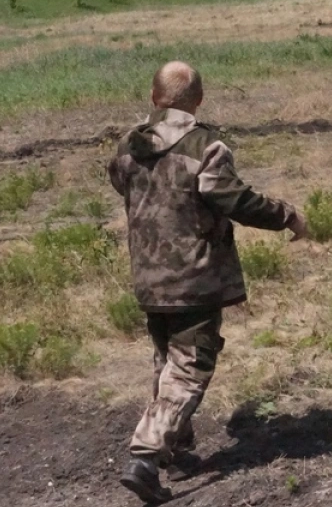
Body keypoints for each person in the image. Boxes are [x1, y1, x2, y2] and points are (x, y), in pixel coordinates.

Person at [108, 61, 308, 503]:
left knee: (166, 361)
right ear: (197, 99)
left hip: (147, 276)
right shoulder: (205, 146)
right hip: (193, 276)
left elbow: (121, 184)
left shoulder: (127, 145)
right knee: (191, 365)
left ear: (154, 96)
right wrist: (286, 215)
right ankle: (146, 456)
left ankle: (176, 454)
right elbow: (233, 198)